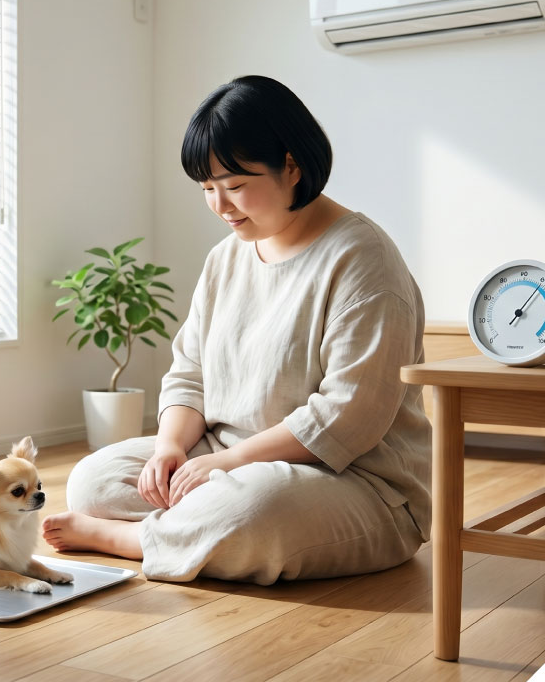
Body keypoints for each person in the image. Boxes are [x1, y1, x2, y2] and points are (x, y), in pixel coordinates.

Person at [41, 75, 431, 585]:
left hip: (352, 480)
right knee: (93, 481)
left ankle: (133, 540)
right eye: (207, 189)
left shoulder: (363, 260)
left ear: (291, 165)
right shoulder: (226, 258)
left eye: (236, 186)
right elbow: (190, 373)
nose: (221, 206)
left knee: (249, 511)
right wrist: (170, 450)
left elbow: (347, 416)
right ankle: (190, 529)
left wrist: (230, 466)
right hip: (225, 455)